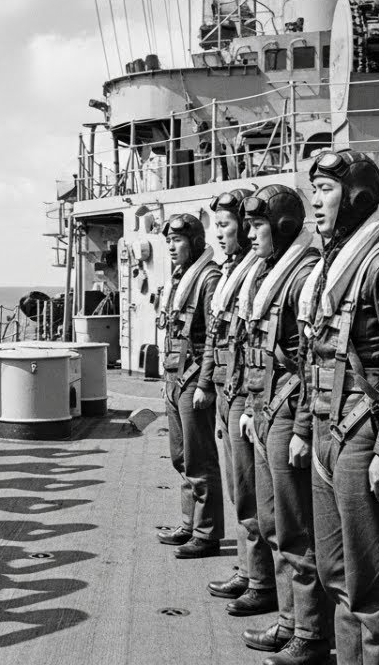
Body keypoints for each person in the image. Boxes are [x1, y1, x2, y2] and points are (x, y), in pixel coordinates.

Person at [296, 149, 379, 665]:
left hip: (365, 432)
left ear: (357, 196)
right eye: (314, 192)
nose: (317, 203)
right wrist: (309, 426)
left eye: (326, 190)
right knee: (336, 574)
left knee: (376, 584)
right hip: (330, 428)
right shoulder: (336, 261)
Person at [236, 186, 331, 664]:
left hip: (288, 408)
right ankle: (292, 620)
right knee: (275, 522)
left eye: (257, 225)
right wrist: (253, 408)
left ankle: (311, 633)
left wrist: (299, 428)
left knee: (297, 530)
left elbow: (310, 360)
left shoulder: (302, 276)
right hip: (265, 406)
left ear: (285, 227)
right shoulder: (270, 272)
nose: (250, 234)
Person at [199, 189, 277, 616]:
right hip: (229, 387)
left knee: (251, 492)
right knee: (238, 488)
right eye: (223, 226)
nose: (224, 234)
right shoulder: (236, 272)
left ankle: (262, 581)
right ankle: (249, 570)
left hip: (246, 389)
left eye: (230, 226)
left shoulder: (259, 273)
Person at [155, 213, 225, 559]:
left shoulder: (209, 278)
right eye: (168, 241)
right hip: (173, 376)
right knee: (181, 457)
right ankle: (189, 522)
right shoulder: (180, 277)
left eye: (178, 240)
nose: (171, 246)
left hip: (194, 377)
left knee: (200, 459)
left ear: (196, 242)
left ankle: (207, 532)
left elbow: (214, 334)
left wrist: (206, 382)